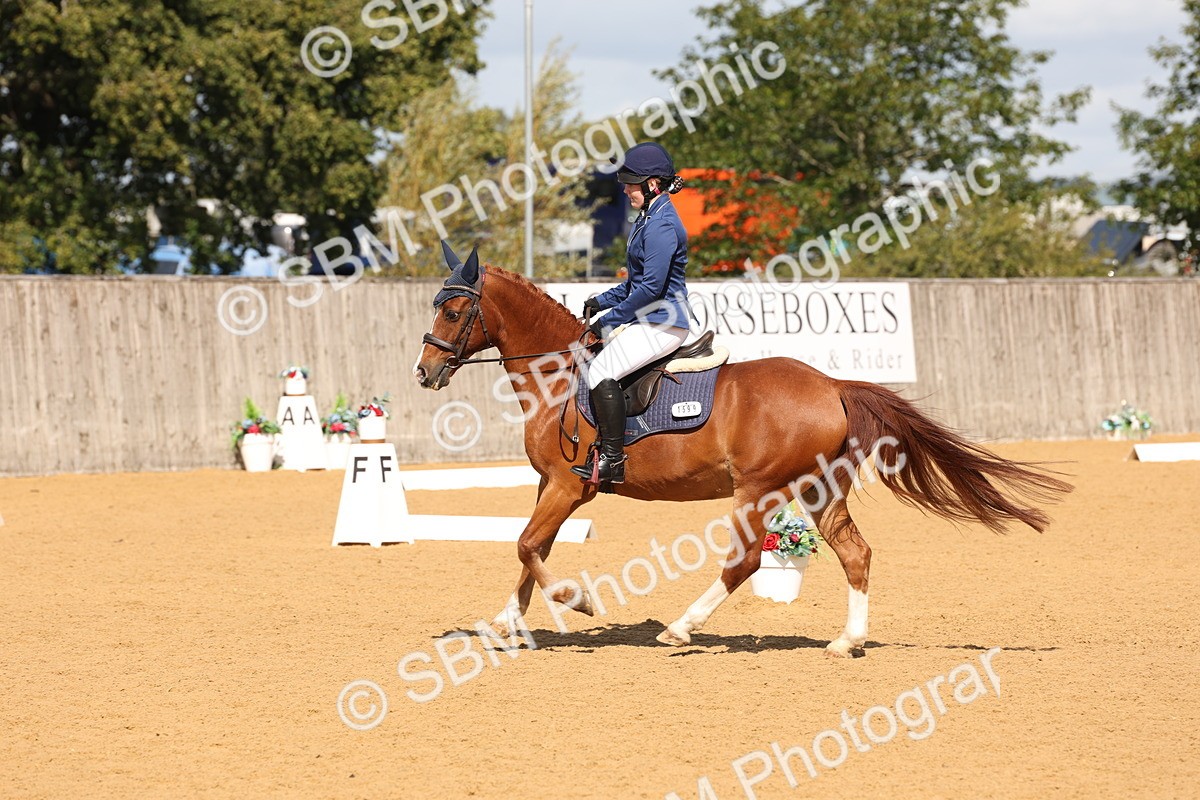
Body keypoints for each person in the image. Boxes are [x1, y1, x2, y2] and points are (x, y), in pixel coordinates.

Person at [571, 141, 691, 485]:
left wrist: (607, 321)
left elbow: (650, 290)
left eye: (630, 183)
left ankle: (612, 461)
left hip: (664, 321)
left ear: (652, 184)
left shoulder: (662, 225)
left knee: (600, 370)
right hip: (650, 318)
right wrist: (601, 301)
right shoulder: (648, 218)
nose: (625, 189)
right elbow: (634, 284)